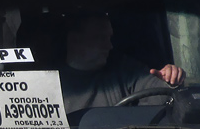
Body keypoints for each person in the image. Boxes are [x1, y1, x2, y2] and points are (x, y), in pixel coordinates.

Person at [57, 11, 185, 112]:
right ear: (74, 40)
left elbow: (157, 92)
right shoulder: (48, 79)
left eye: (109, 38)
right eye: (100, 38)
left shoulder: (125, 70)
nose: (109, 46)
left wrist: (170, 80)